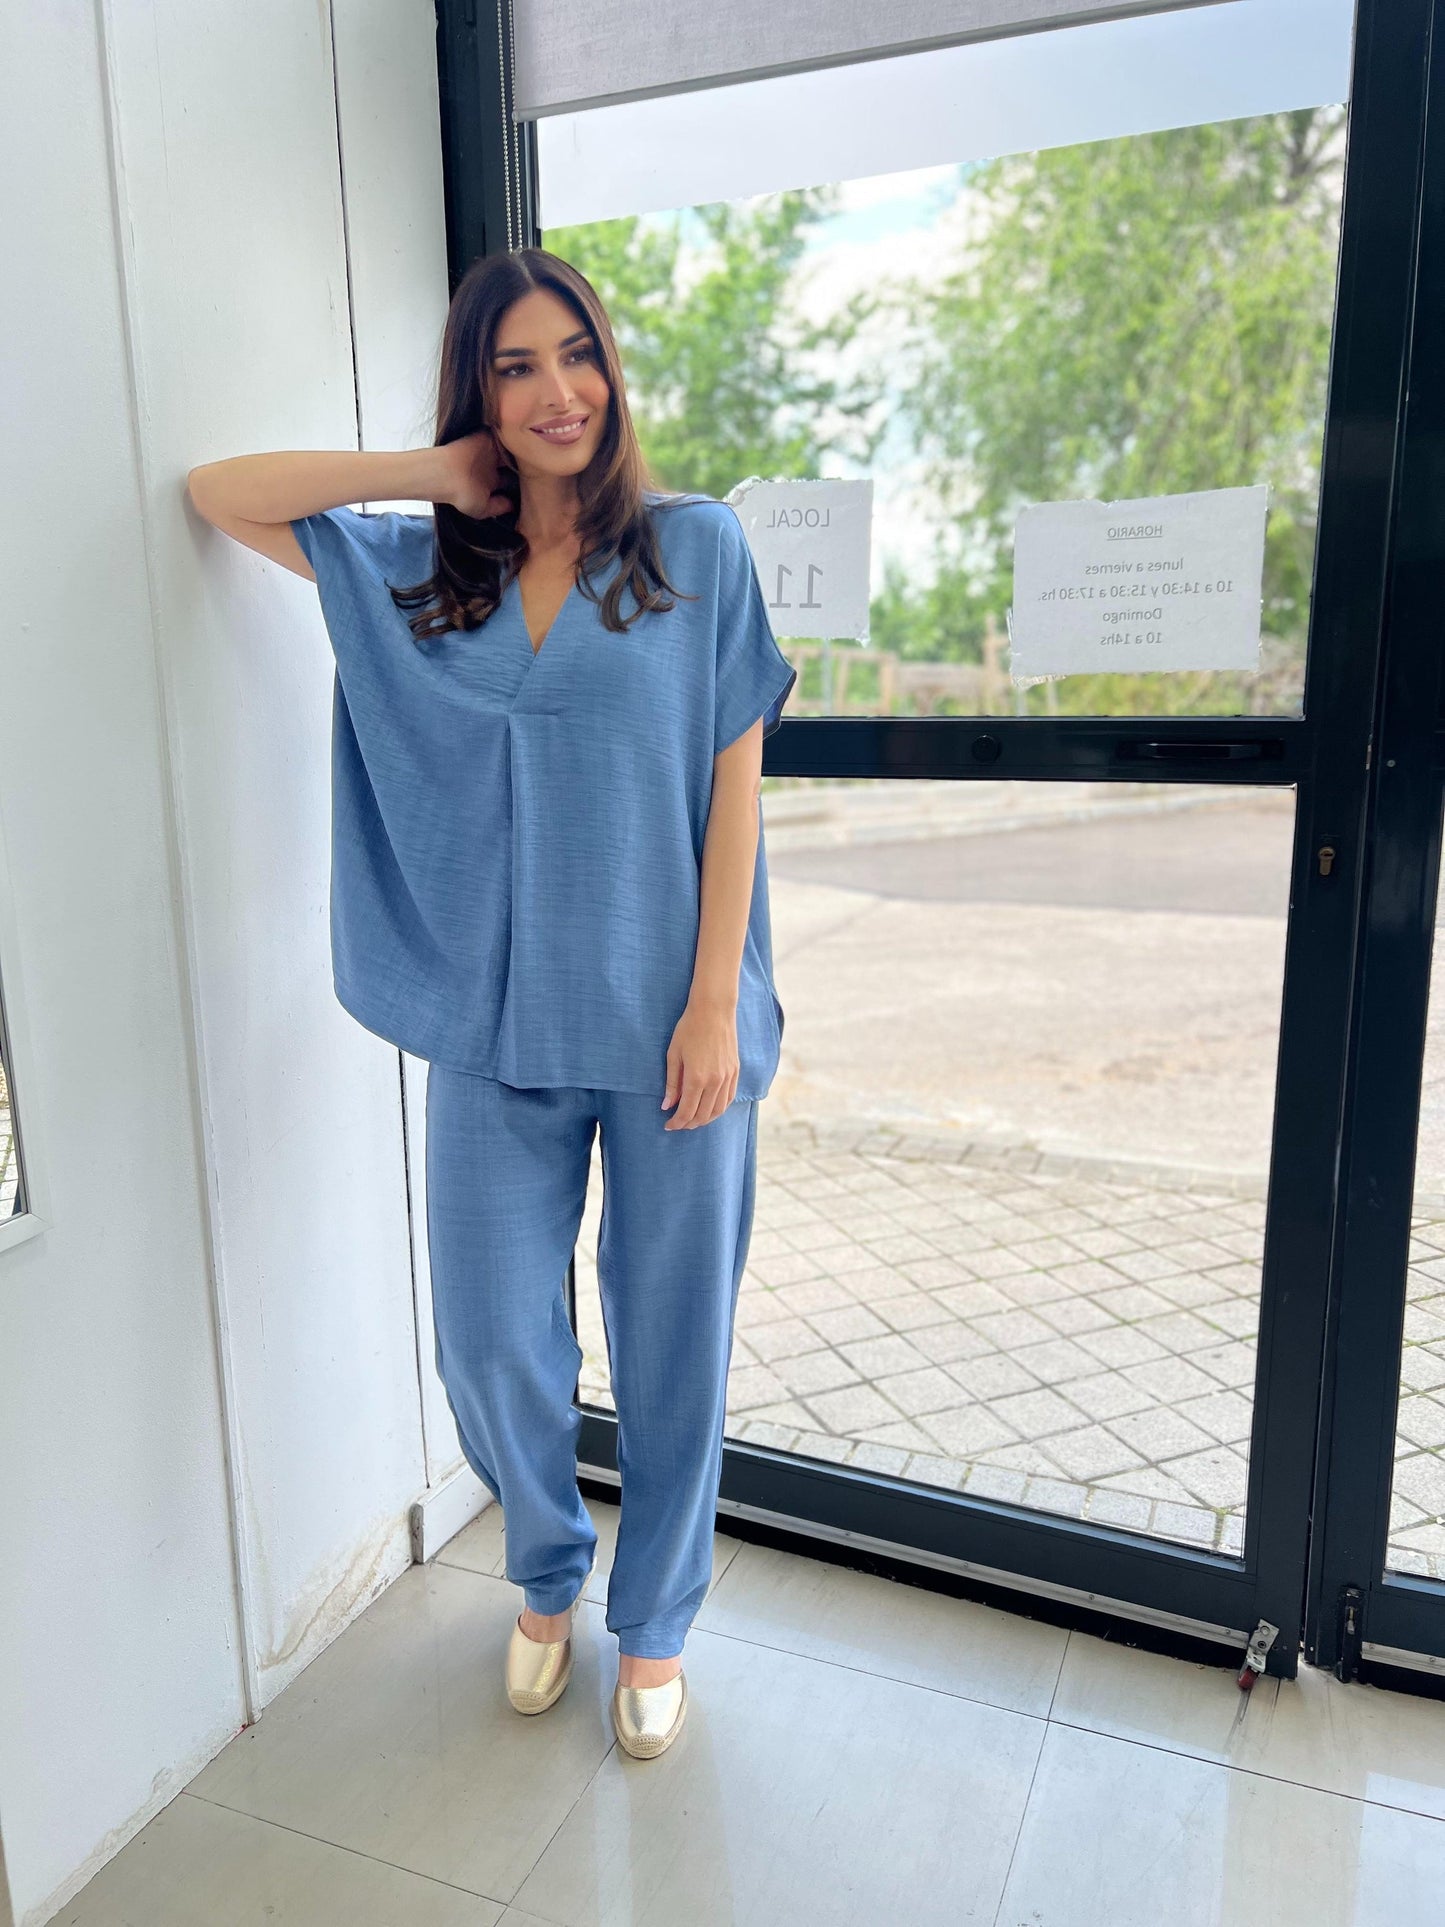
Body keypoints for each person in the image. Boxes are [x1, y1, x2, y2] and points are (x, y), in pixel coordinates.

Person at [186, 246, 797, 1762]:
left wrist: (712, 1005)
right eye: (515, 365)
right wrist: (426, 473)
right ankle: (545, 1571)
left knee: (674, 1341)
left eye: (575, 353)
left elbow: (734, 788)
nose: (555, 391)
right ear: (478, 394)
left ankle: (654, 1623)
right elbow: (220, 492)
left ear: (612, 370)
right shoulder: (421, 576)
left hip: (669, 1030)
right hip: (490, 1029)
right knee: (489, 1340)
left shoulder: (695, 549)